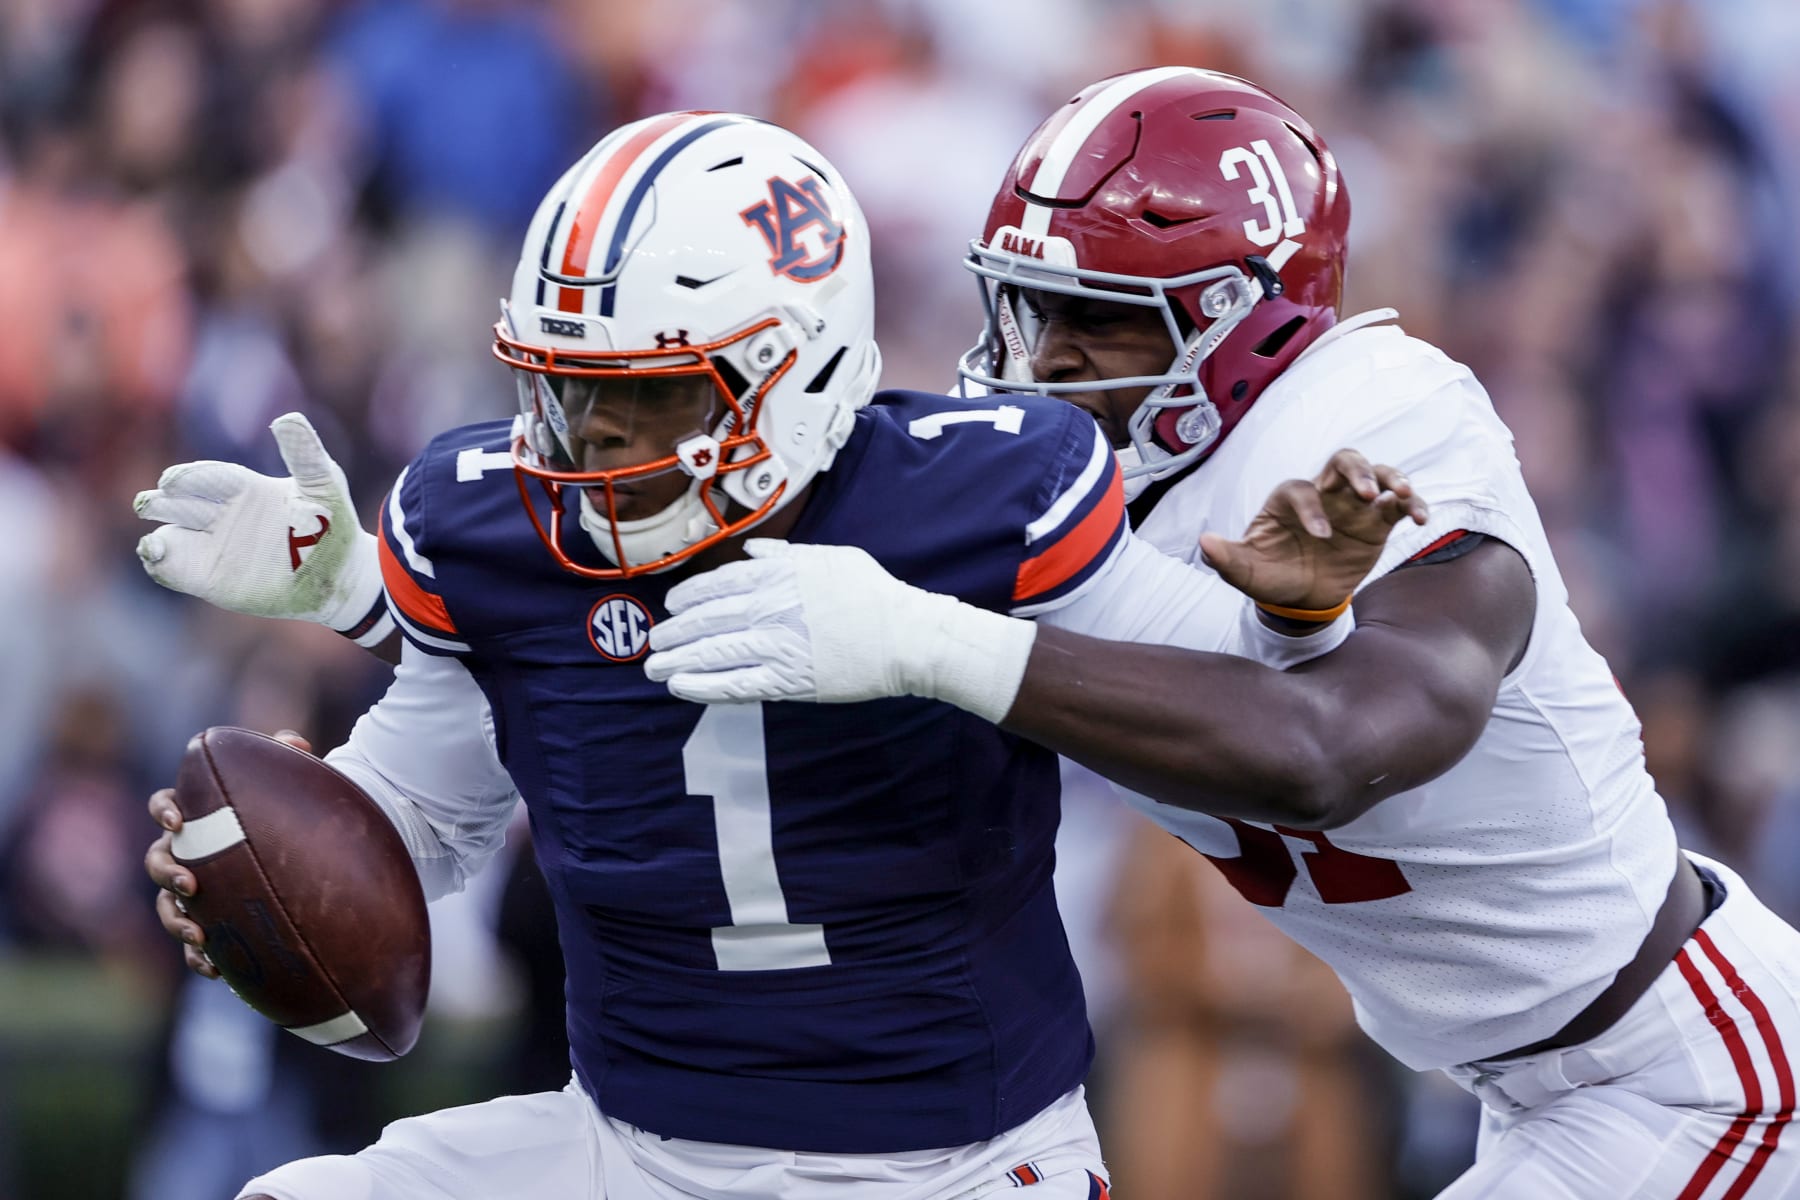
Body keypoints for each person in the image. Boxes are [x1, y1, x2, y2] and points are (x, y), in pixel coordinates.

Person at [136, 111, 1424, 1200]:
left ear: (798, 372)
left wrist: (1295, 619)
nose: (591, 447)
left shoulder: (981, 498)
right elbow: (426, 821)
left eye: (651, 393)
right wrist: (259, 857)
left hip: (954, 1165)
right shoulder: (491, 529)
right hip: (628, 1148)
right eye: (569, 388)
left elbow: (1242, 717)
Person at [639, 71, 1800, 1198]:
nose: (1045, 359)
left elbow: (1328, 753)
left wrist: (929, 643)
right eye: (1032, 305)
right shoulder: (1060, 499)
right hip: (1535, 1083)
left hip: (1690, 1064)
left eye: (1099, 317)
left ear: (1245, 327)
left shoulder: (1370, 418)